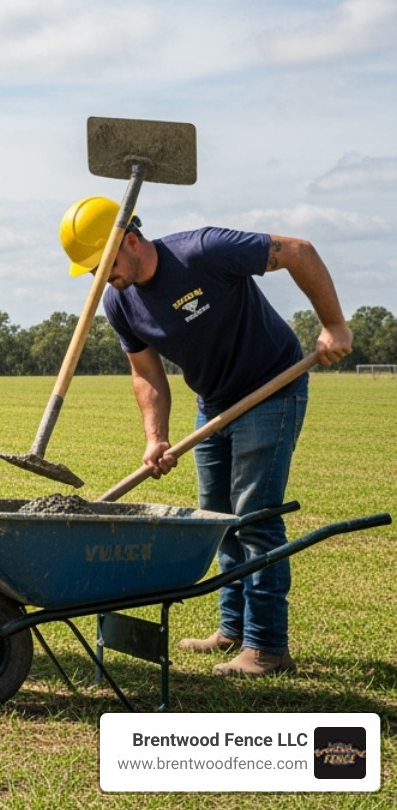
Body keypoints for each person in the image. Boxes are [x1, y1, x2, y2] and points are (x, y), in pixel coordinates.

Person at [60, 196, 353, 677]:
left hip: (272, 388)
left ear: (130, 241)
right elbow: (145, 373)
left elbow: (298, 250)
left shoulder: (203, 250)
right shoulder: (118, 300)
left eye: (101, 265)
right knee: (217, 521)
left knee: (255, 519)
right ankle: (232, 628)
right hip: (213, 403)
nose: (98, 279)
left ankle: (268, 647)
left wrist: (333, 325)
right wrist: (155, 437)